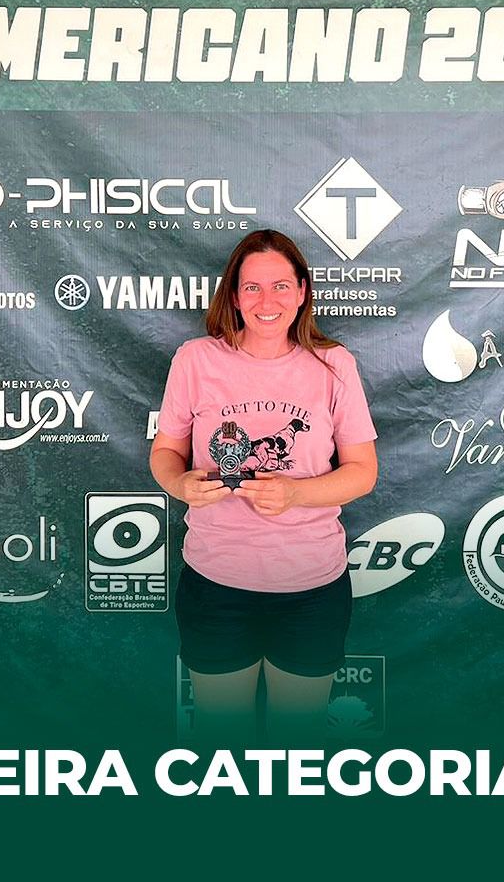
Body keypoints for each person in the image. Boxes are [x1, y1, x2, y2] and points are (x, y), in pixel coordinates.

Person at [149, 229, 378, 743]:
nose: (266, 301)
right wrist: (180, 483)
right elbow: (164, 454)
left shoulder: (334, 365)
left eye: (280, 286)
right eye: (251, 287)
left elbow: (363, 471)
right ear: (234, 296)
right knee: (222, 738)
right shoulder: (195, 359)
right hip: (216, 584)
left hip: (311, 589)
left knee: (298, 741)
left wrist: (295, 493)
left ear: (302, 292)